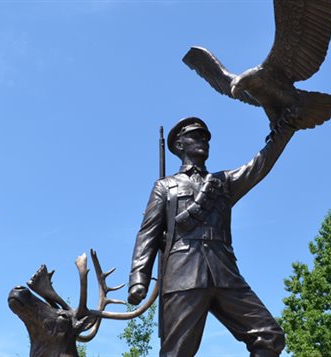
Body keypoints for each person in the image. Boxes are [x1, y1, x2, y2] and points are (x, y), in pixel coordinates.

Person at [127, 115, 298, 357]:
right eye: (195, 135)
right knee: (177, 353)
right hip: (182, 273)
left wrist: (285, 130)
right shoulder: (165, 186)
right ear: (178, 145)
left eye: (206, 137)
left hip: (225, 273)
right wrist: (139, 279)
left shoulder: (223, 182)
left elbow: (260, 165)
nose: (203, 140)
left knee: (269, 336)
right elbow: (148, 234)